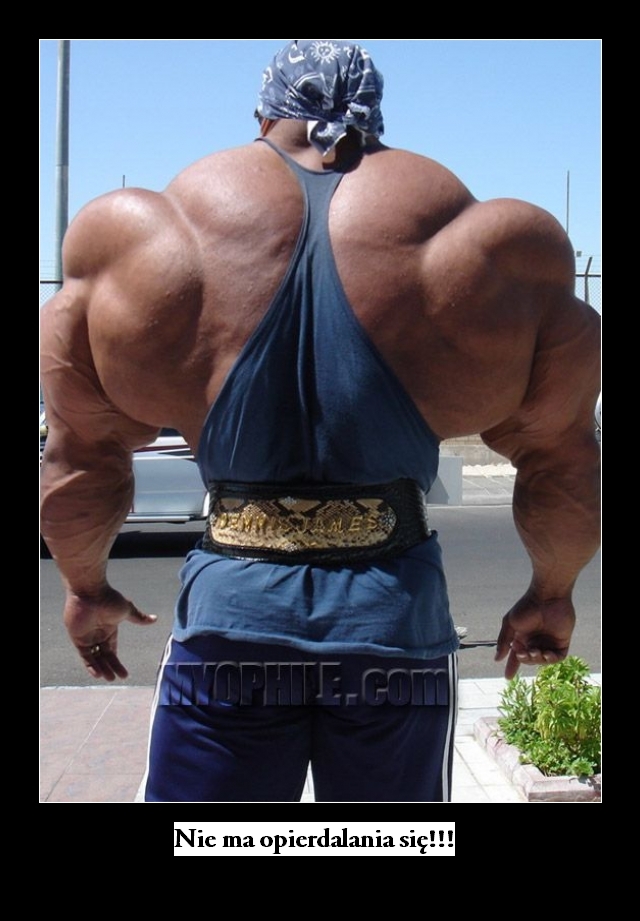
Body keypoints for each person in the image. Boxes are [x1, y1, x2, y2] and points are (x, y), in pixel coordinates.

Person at [40, 39, 600, 802]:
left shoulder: (143, 235)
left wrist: (85, 586)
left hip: (229, 628)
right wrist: (550, 591)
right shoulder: (491, 244)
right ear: (373, 118)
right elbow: (563, 457)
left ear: (263, 114)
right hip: (394, 632)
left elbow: (79, 455)